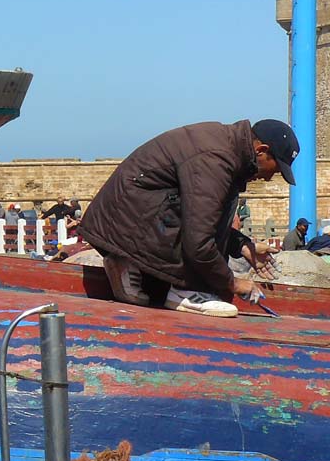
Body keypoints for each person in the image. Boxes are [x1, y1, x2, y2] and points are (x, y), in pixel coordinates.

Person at [81, 118, 299, 318]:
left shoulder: (226, 150)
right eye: (276, 169)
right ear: (261, 150)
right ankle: (182, 290)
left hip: (133, 216)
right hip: (126, 222)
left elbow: (205, 218)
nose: (271, 177)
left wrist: (244, 246)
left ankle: (131, 262)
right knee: (199, 242)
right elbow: (198, 241)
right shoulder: (215, 161)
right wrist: (232, 283)